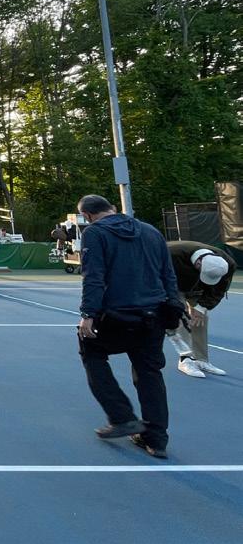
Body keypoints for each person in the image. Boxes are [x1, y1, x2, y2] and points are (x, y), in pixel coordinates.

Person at [76, 194, 180, 459]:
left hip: (116, 315)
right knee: (149, 372)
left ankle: (121, 416)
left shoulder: (94, 233)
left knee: (92, 352)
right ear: (112, 207)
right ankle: (156, 440)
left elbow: (94, 276)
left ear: (87, 216)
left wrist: (88, 314)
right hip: (153, 314)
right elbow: (168, 273)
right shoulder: (150, 230)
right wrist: (174, 306)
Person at [165, 241, 235, 378]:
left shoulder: (228, 264)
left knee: (200, 317)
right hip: (172, 282)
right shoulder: (171, 253)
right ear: (198, 264)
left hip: (196, 284)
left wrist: (201, 308)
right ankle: (185, 359)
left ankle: (201, 359)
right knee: (180, 315)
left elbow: (218, 290)